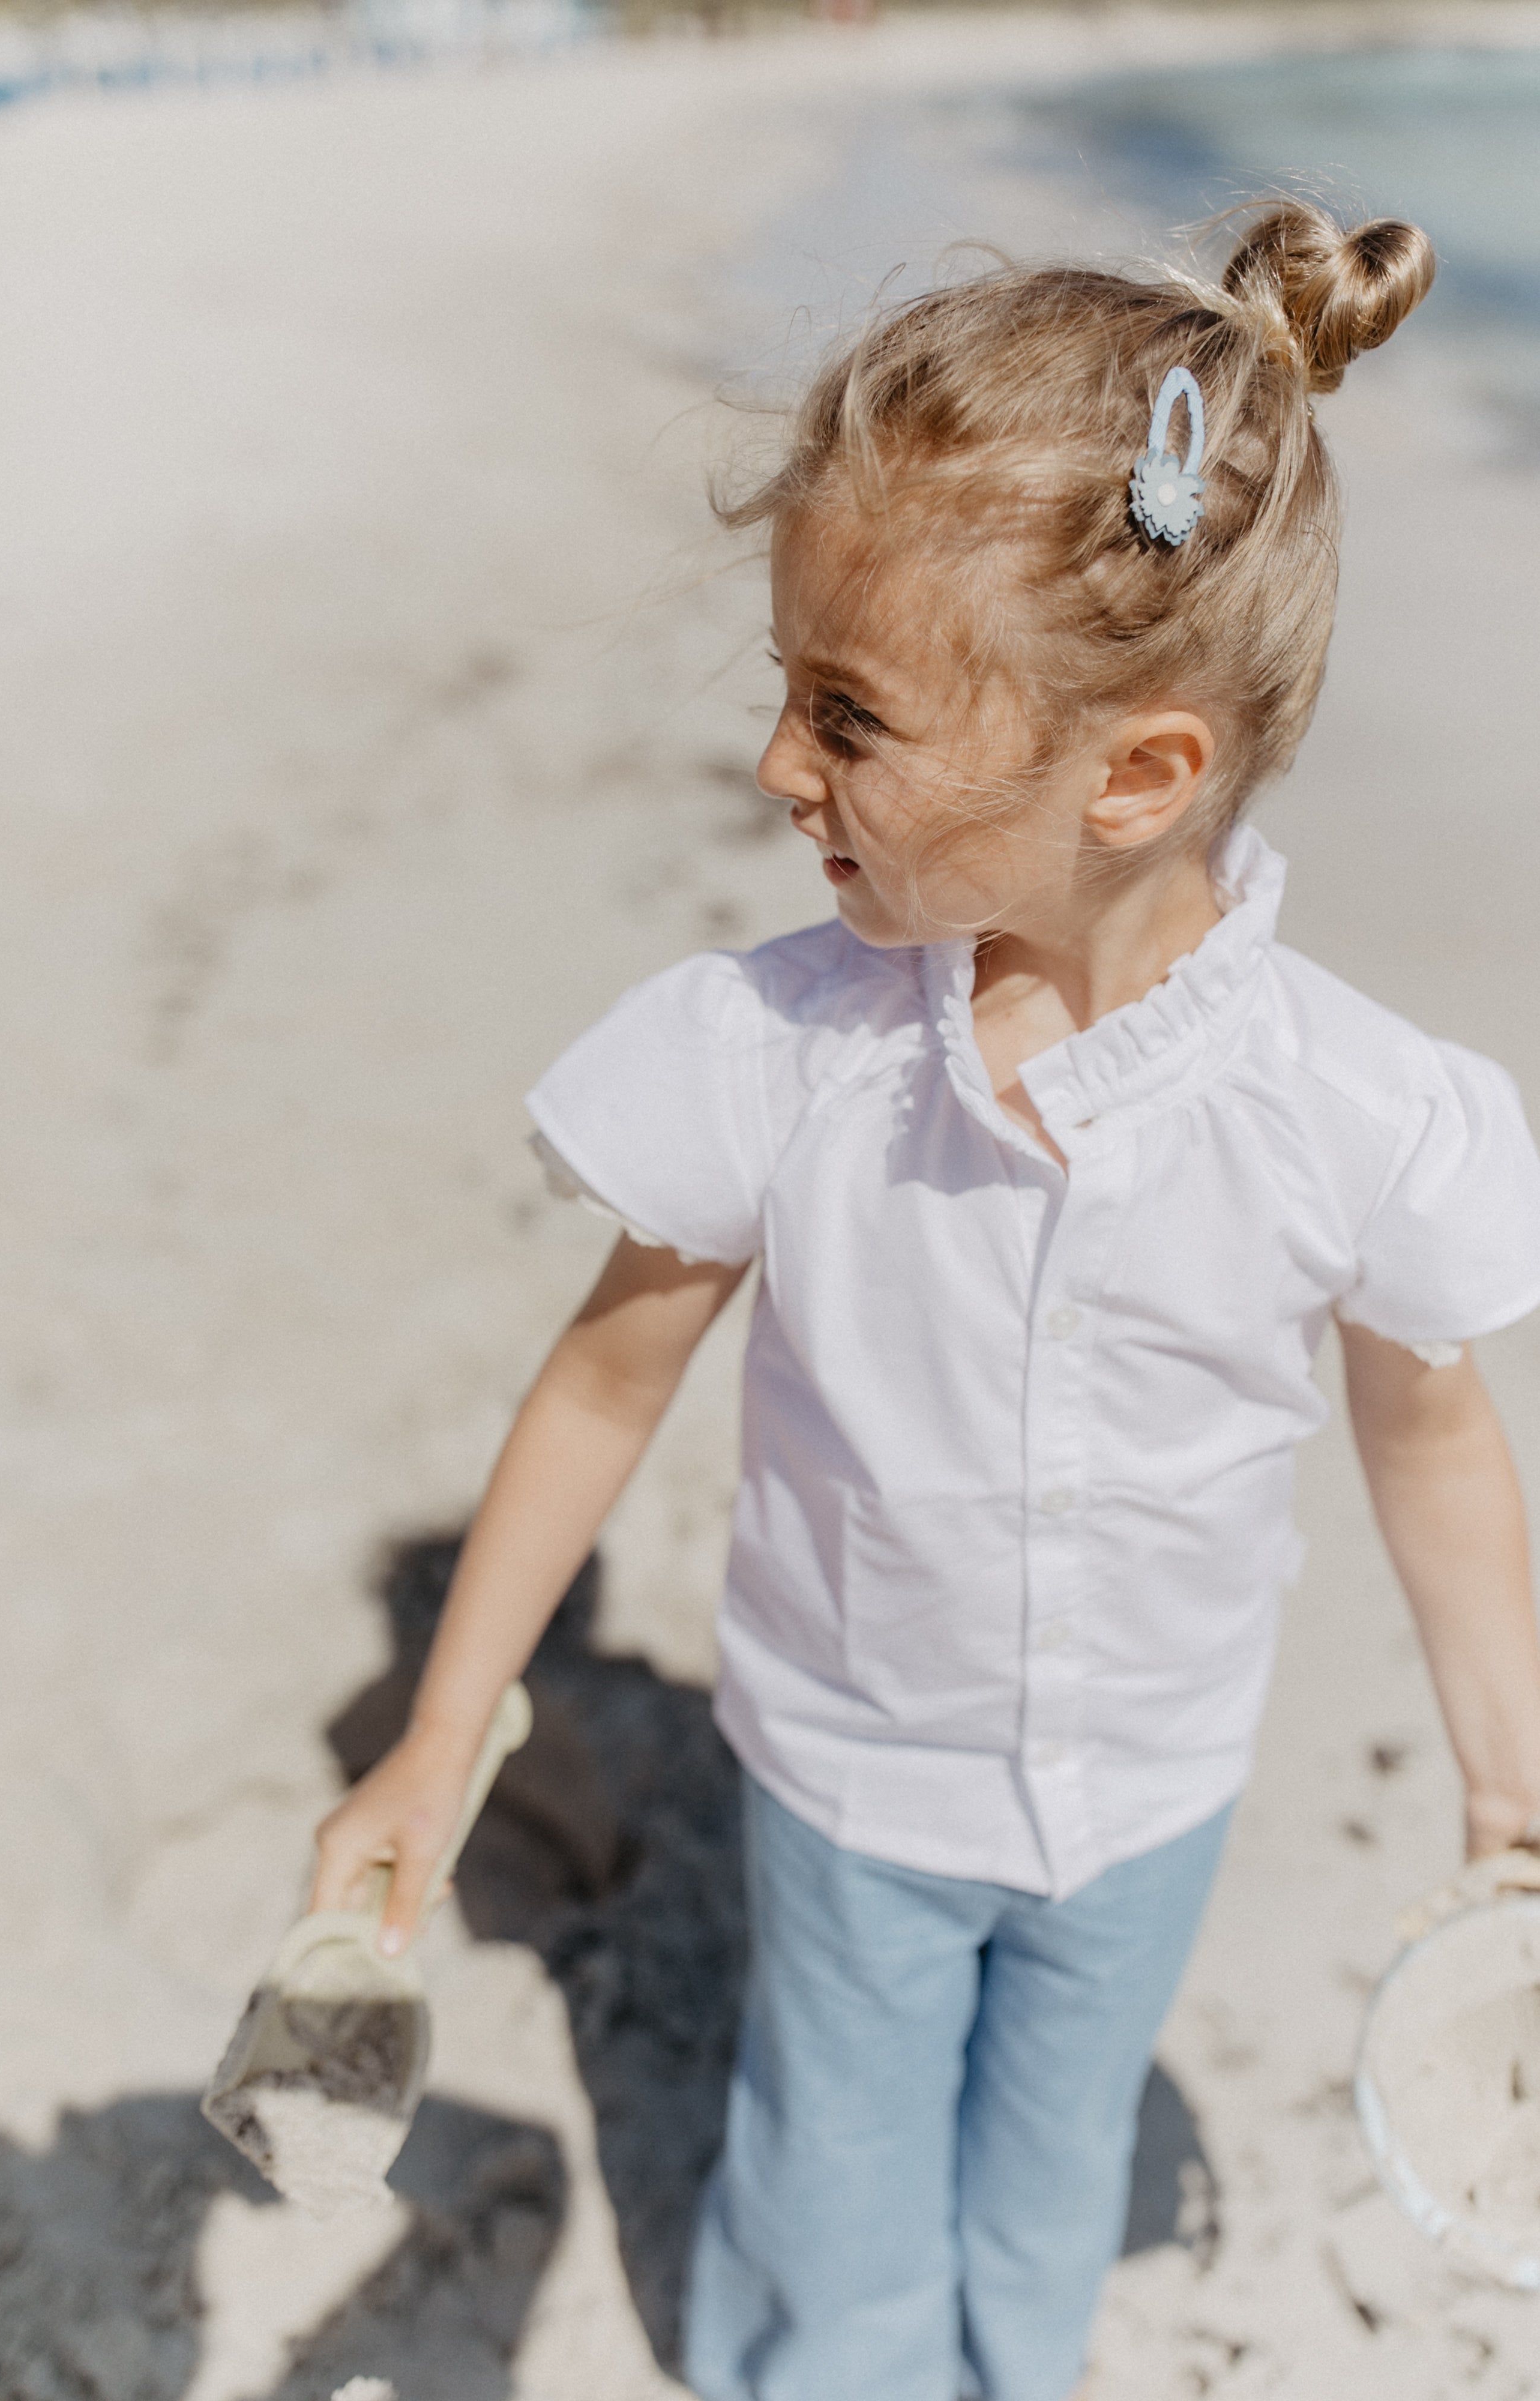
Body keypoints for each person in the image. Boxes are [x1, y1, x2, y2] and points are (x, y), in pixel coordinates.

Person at [311, 202, 1540, 2401]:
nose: (780, 768)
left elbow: (1428, 1428)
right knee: (833, 2171)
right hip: (850, 1774)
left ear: (1139, 775)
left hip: (1151, 1788)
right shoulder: (784, 1049)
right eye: (789, 693)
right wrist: (441, 1725)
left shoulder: (1344, 1112)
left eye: (846, 715)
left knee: (1052, 2165)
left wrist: (1509, 1784)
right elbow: (606, 1380)